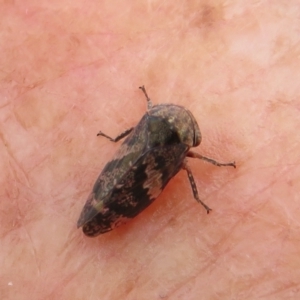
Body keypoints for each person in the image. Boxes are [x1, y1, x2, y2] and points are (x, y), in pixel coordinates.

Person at [1, 1, 299, 299]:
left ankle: (96, 218)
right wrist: (211, 177)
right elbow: (189, 155)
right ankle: (98, 218)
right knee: (167, 171)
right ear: (188, 140)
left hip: (121, 175)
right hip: (134, 190)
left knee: (123, 172)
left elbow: (138, 127)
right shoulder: (182, 154)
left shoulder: (152, 119)